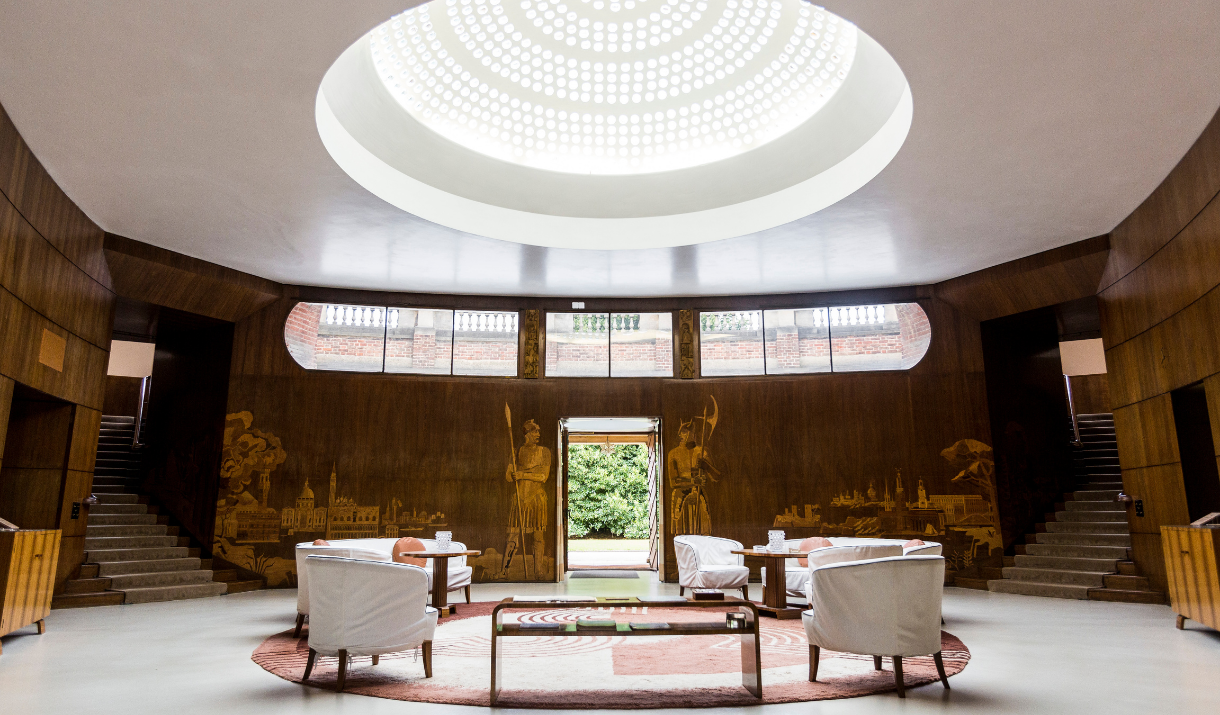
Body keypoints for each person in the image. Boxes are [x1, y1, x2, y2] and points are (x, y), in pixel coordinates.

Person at [503, 419, 551, 573]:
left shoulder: (544, 452)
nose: (538, 434)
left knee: (538, 536)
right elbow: (509, 477)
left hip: (536, 498)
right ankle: (505, 570)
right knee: (513, 536)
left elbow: (543, 476)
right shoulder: (516, 451)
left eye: (538, 431)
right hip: (520, 498)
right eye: (535, 431)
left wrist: (522, 474)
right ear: (527, 433)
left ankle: (538, 571)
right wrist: (512, 466)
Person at [667, 419, 718, 535]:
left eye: (684, 432)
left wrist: (707, 467)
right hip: (680, 499)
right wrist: (693, 481)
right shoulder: (673, 454)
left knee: (703, 534)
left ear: (692, 433)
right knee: (681, 536)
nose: (680, 435)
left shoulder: (702, 451)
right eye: (680, 432)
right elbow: (673, 482)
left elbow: (716, 478)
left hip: (699, 498)